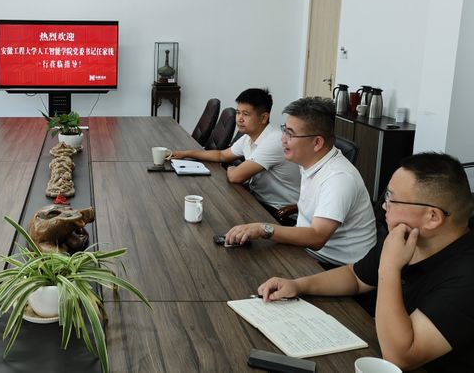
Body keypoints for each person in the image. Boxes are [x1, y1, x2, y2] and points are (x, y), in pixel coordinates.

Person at [258, 153, 474, 371]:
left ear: (433, 217)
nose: (384, 206)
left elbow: (400, 356)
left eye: (392, 199)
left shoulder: (467, 275)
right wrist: (298, 285)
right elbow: (356, 276)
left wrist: (389, 268)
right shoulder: (407, 237)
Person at [225, 97, 375, 267]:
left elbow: (317, 237)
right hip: (304, 250)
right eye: (284, 130)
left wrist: (263, 229)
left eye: (290, 134)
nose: (283, 139)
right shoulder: (309, 161)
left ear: (317, 142)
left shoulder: (339, 178)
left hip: (335, 266)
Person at [170, 88, 301, 211]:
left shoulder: (274, 140)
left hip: (278, 211)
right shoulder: (249, 136)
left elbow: (235, 177)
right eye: (238, 112)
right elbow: (221, 155)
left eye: (246, 114)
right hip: (256, 199)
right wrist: (185, 153)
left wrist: (231, 169)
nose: (239, 119)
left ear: (263, 118)